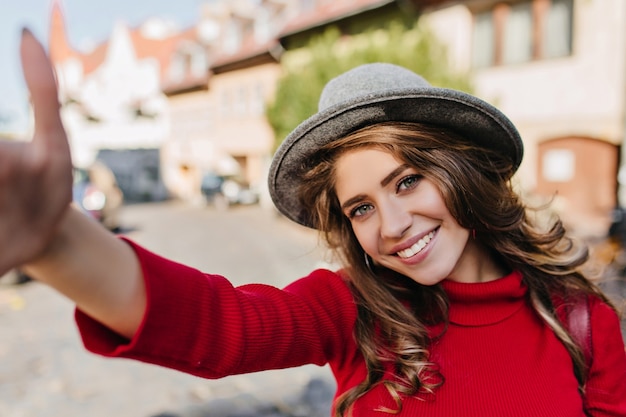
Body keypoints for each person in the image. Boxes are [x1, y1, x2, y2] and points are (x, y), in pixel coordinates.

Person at [5, 29, 626, 417]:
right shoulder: (353, 310)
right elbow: (220, 323)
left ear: (462, 170)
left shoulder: (582, 321)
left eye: (407, 180)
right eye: (360, 208)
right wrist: (57, 242)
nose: (392, 224)